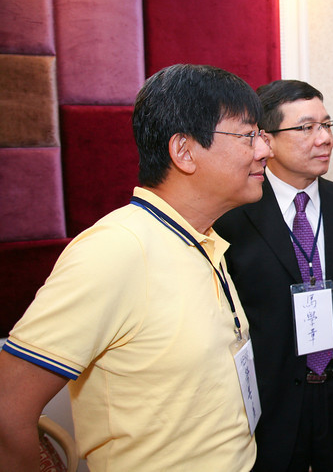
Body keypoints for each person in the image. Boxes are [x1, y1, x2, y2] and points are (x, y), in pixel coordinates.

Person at [0, 64, 271, 471]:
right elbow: (8, 410)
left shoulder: (203, 239)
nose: (265, 150)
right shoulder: (115, 250)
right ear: (184, 151)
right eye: (248, 135)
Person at [214, 79, 333, 472]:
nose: (324, 138)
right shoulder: (232, 216)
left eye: (327, 124)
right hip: (272, 398)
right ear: (266, 140)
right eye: (306, 127)